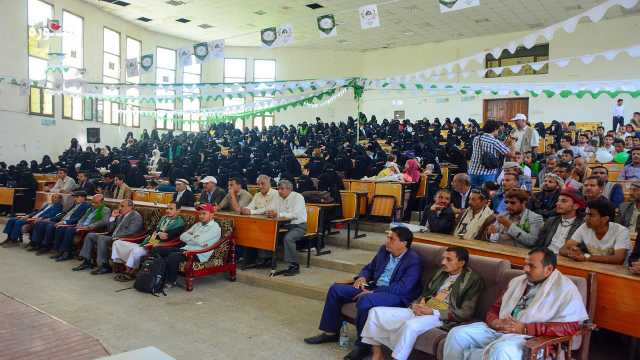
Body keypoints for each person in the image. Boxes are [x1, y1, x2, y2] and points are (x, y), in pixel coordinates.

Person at [443, 248, 588, 360]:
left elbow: (570, 327)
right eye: (525, 264)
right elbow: (495, 308)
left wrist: (526, 328)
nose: (525, 269)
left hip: (531, 339)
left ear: (548, 269)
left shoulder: (565, 289)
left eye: (531, 266)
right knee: (457, 334)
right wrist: (495, 321)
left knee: (501, 350)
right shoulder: (518, 282)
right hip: (499, 330)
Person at [304, 227, 423, 360]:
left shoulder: (413, 260)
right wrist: (363, 277)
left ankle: (363, 346)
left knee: (366, 301)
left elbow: (403, 288)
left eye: (392, 239)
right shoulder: (384, 250)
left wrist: (373, 292)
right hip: (373, 287)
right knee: (336, 289)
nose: (387, 241)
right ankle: (331, 332)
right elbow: (369, 268)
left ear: (403, 243)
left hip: (395, 295)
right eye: (388, 237)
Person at [362, 247, 485, 360]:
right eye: (443, 258)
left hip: (442, 317)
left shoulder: (473, 280)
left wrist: (433, 311)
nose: (443, 262)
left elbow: (465, 312)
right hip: (424, 308)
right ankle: (377, 354)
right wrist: (415, 305)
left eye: (449, 259)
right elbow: (425, 294)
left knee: (411, 326)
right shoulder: (440, 272)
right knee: (376, 312)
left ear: (461, 263)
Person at [152, 203, 221, 289]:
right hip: (186, 249)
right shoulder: (198, 224)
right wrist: (194, 238)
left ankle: (171, 281)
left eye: (204, 213)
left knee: (173, 256)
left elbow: (199, 241)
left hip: (198, 254)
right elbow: (182, 237)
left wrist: (191, 237)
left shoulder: (215, 228)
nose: (201, 216)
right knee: (157, 249)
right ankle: (158, 275)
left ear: (212, 214)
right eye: (200, 214)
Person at [112, 202, 185, 281]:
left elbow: (166, 237)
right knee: (117, 242)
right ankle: (126, 268)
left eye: (171, 209)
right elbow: (153, 231)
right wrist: (158, 233)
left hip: (157, 246)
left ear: (178, 211)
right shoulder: (164, 218)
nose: (167, 210)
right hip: (147, 242)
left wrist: (157, 234)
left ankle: (129, 272)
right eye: (167, 208)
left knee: (135, 250)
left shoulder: (179, 223)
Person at [73, 199, 144, 274]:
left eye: (122, 206)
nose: (120, 208)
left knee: (102, 239)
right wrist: (113, 217)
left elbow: (131, 231)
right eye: (119, 206)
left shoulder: (136, 216)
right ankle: (87, 261)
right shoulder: (121, 215)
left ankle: (104, 265)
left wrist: (115, 236)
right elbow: (110, 229)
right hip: (112, 236)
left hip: (123, 239)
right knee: (90, 235)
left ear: (130, 207)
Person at [560, 198, 631, 265]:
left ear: (605, 219)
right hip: (593, 267)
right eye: (586, 214)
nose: (586, 218)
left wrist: (585, 257)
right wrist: (573, 253)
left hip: (617, 273)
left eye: (591, 215)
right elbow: (563, 249)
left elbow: (618, 259)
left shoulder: (621, 231)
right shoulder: (584, 227)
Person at [266, 179, 307, 276]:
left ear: (289, 189)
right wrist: (270, 212)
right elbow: (270, 208)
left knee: (288, 238)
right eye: (278, 189)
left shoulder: (298, 197)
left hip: (299, 226)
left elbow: (295, 214)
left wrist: (278, 214)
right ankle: (266, 258)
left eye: (282, 189)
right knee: (268, 233)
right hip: (283, 225)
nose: (279, 191)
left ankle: (294, 265)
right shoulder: (278, 197)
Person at [53, 194, 112, 262]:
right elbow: (82, 218)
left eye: (95, 203)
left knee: (69, 230)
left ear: (101, 202)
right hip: (82, 226)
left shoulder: (106, 210)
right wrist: (79, 224)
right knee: (62, 228)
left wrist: (88, 226)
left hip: (90, 228)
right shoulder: (90, 209)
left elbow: (103, 222)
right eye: (92, 202)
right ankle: (60, 251)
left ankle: (67, 253)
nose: (93, 204)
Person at [33, 191, 92, 255]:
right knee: (41, 223)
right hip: (61, 220)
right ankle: (37, 244)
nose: (75, 199)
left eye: (77, 197)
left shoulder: (86, 206)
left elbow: (78, 218)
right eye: (75, 197)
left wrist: (64, 222)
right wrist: (51, 219)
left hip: (69, 223)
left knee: (50, 226)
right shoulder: (75, 204)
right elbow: (64, 213)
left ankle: (47, 246)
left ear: (83, 198)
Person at [240, 174, 280, 268]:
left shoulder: (276, 194)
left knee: (260, 229)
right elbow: (251, 206)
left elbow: (268, 209)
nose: (260, 186)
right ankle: (248, 258)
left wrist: (251, 212)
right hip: (259, 221)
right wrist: (245, 209)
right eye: (258, 184)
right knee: (246, 228)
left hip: (274, 222)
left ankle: (266, 258)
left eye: (263, 184)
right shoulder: (257, 194)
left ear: (269, 183)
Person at [536, 189, 585, 254]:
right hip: (545, 257)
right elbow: (539, 244)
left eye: (563, 201)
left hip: (566, 260)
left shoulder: (582, 226)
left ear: (576, 206)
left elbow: (583, 252)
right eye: (558, 201)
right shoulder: (551, 221)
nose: (558, 203)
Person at [468, 120, 514, 188]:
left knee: (474, 194)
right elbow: (511, 154)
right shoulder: (495, 142)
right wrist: (513, 142)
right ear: (495, 129)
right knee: (486, 196)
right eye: (498, 130)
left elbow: (492, 147)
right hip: (487, 174)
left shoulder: (476, 138)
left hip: (473, 172)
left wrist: (505, 143)